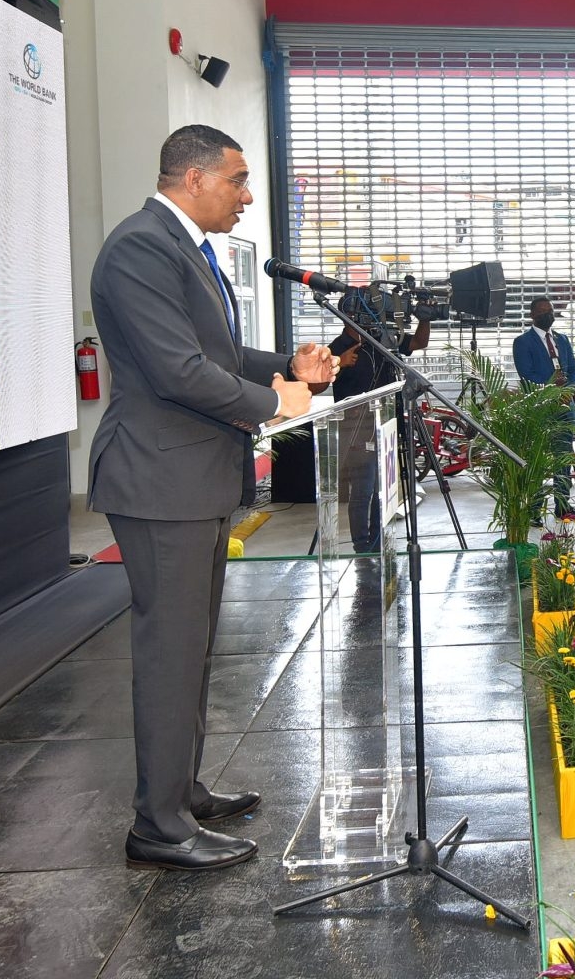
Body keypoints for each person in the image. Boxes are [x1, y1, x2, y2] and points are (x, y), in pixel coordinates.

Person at [89, 125, 336, 872]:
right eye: (237, 180)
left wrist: (286, 362)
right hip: (159, 479)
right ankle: (157, 827)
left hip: (188, 479)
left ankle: (180, 792)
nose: (247, 195)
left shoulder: (185, 249)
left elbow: (216, 352)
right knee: (170, 652)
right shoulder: (140, 248)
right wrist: (279, 401)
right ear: (192, 178)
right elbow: (178, 370)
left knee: (190, 649)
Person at [328, 306, 431, 552]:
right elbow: (319, 381)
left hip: (386, 425)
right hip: (356, 428)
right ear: (349, 317)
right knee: (363, 489)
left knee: (382, 489)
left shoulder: (382, 339)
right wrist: (340, 364)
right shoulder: (337, 347)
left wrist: (425, 318)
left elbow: (418, 341)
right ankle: (361, 545)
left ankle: (377, 540)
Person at [514, 297, 575, 520]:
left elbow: (574, 370)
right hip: (540, 408)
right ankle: (534, 509)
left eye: (551, 311)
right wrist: (550, 386)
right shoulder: (523, 342)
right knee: (538, 460)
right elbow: (526, 374)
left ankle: (563, 506)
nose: (548, 315)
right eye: (543, 311)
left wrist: (569, 390)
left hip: (564, 407)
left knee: (563, 459)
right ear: (532, 315)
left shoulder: (562, 339)